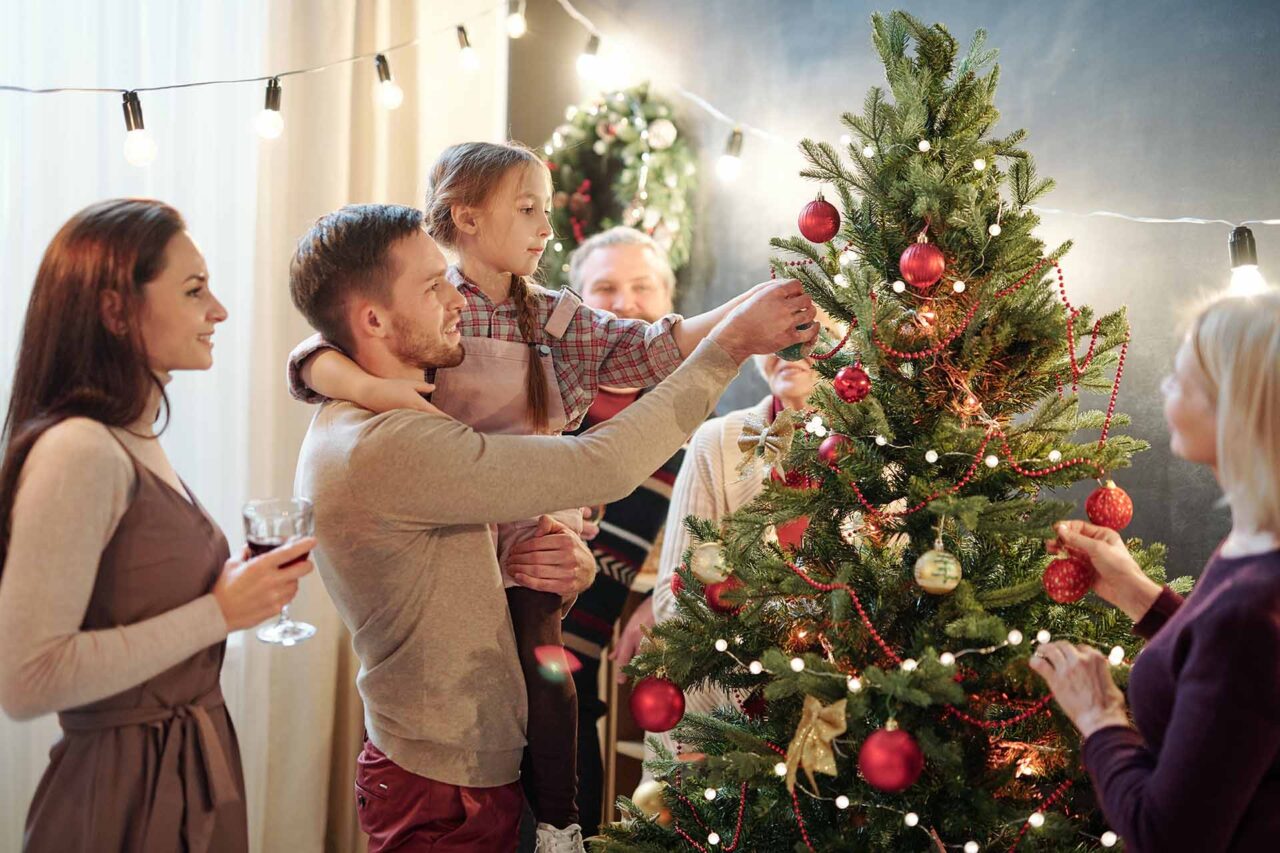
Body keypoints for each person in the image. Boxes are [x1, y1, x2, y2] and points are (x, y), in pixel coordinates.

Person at [287, 201, 816, 852]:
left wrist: (567, 563)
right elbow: (602, 463)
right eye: (434, 286)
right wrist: (730, 343)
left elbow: (482, 561)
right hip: (449, 783)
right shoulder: (391, 441)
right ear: (372, 319)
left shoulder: (387, 408)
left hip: (483, 757)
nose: (457, 300)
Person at [0, 198, 315, 852]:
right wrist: (218, 613)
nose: (219, 310)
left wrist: (230, 594)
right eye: (195, 290)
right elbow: (25, 679)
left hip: (183, 771)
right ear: (116, 310)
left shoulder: (131, 438)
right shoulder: (80, 450)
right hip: (120, 796)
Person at [1030, 289, 1280, 851]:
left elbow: (1168, 836)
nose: (1164, 387)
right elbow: (1232, 679)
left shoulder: (1255, 606)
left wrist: (1100, 718)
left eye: (1181, 379)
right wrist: (1139, 594)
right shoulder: (1257, 541)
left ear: (1237, 409)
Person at [644, 329, 836, 771]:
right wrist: (756, 654)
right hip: (723, 712)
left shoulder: (878, 451)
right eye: (782, 334)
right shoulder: (717, 441)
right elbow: (673, 599)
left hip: (843, 712)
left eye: (814, 334)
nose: (791, 350)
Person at [553, 226, 690, 838]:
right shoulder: (544, 401)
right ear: (576, 302)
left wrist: (662, 597)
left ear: (669, 304)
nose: (624, 303)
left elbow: (711, 537)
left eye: (642, 287)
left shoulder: (691, 420)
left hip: (601, 676)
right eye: (604, 288)